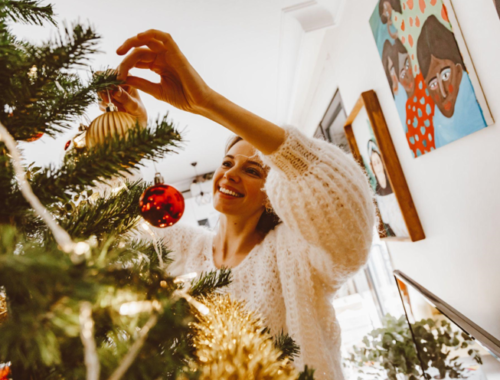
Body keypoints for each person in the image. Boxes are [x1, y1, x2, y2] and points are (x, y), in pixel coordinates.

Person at [104, 29, 375, 379]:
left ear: (274, 190)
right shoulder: (183, 247)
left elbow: (344, 210)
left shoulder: (297, 254)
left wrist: (207, 102)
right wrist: (131, 136)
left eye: (252, 170)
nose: (231, 174)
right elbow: (114, 221)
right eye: (228, 163)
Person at [417, 16, 487, 148]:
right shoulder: (439, 126)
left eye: (445, 75)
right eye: (433, 84)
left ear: (459, 71)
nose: (443, 93)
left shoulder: (476, 105)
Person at [367, 139, 408, 238]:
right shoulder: (377, 190)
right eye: (374, 163)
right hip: (395, 229)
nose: (377, 165)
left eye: (378, 161)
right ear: (372, 166)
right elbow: (385, 219)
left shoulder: (393, 182)